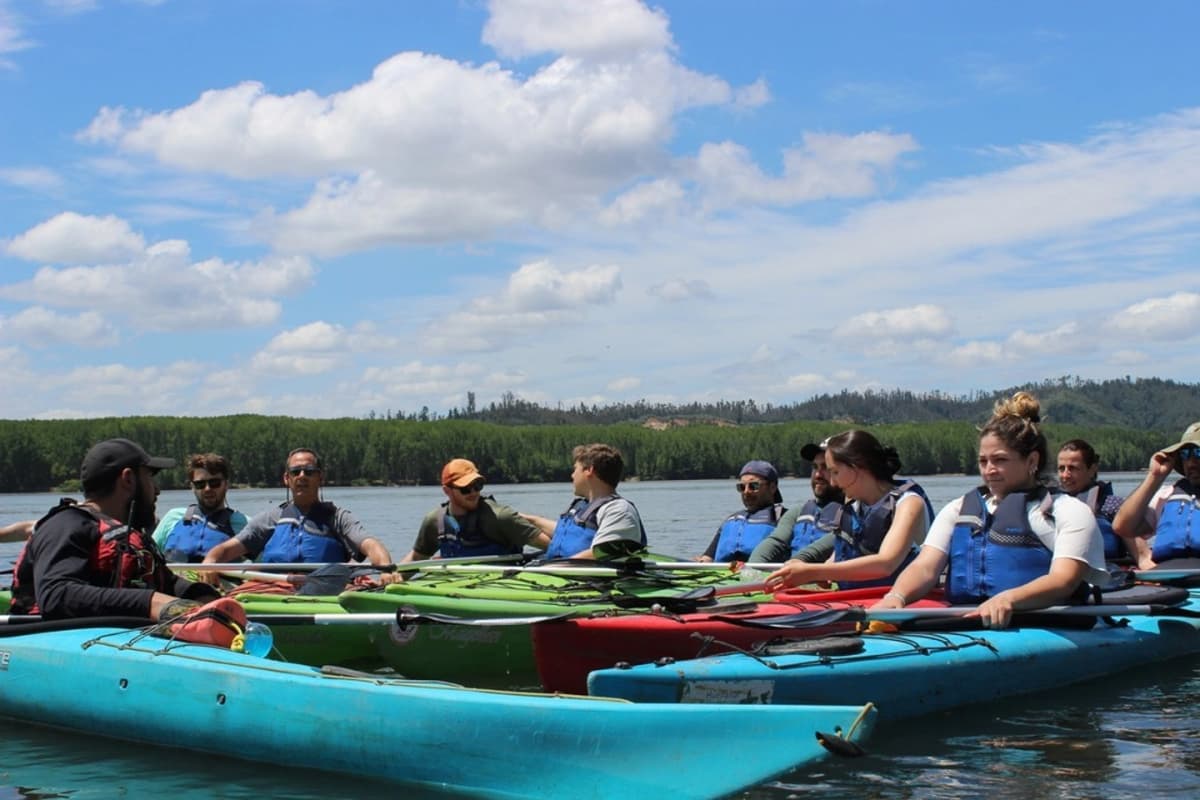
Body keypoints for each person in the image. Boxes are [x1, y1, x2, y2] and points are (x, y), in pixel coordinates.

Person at [872, 392, 1108, 628]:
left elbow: (1063, 580)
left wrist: (1008, 599)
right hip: (967, 622)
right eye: (983, 461)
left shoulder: (1067, 511)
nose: (989, 470)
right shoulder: (958, 509)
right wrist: (897, 596)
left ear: (1032, 461)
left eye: (1000, 460)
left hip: (1045, 623)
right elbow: (925, 567)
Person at [10, 438, 220, 618]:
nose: (156, 490)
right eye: (149, 478)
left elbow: (168, 582)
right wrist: (153, 603)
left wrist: (203, 596)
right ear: (128, 479)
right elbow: (56, 595)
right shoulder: (66, 525)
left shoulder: (132, 536)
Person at [765, 430, 933, 590]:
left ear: (858, 466)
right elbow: (838, 559)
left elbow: (886, 564)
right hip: (855, 600)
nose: (833, 483)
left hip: (899, 602)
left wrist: (813, 571)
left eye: (835, 472)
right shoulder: (852, 507)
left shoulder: (909, 503)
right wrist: (818, 571)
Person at [201, 448, 399, 583]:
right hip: (272, 591)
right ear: (287, 479)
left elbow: (371, 544)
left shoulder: (338, 518)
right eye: (296, 472)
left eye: (309, 471)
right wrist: (210, 562)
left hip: (324, 592)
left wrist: (385, 568)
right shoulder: (270, 519)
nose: (302, 476)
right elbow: (226, 550)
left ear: (320, 477)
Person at [401, 458, 550, 562]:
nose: (474, 492)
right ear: (447, 491)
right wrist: (393, 576)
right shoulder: (434, 521)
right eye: (465, 489)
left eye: (477, 485)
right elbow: (417, 558)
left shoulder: (501, 517)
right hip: (455, 590)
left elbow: (553, 547)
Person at [1112, 422, 1200, 568]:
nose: (1190, 463)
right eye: (1185, 455)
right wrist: (1155, 477)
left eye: (1198, 453)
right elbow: (1122, 527)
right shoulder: (1166, 496)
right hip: (1169, 582)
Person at [542, 443, 647, 560]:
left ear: (589, 470)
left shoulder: (619, 510)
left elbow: (603, 554)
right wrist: (527, 520)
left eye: (575, 469)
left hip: (583, 576)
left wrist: (551, 568)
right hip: (557, 571)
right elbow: (563, 533)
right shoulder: (582, 507)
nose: (572, 475)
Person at [750, 439, 845, 563]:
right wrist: (752, 569)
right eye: (815, 467)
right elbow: (776, 541)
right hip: (793, 574)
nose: (818, 475)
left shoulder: (855, 513)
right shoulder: (797, 512)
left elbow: (834, 540)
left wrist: (797, 563)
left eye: (825, 467)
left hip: (825, 576)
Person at [1056, 439, 1149, 566]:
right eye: (1061, 469)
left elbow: (1143, 556)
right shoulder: (1050, 506)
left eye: (1073, 468)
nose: (1065, 475)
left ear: (1092, 469)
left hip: (1110, 575)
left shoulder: (1115, 507)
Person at [152, 453, 249, 562]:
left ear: (226, 484)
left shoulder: (245, 524)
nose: (207, 489)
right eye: (200, 484)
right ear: (192, 487)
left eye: (214, 483)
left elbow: (265, 565)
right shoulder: (173, 517)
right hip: (174, 577)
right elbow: (149, 556)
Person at [698, 461, 786, 562]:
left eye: (754, 486)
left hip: (762, 573)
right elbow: (707, 558)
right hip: (723, 572)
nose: (746, 492)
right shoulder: (732, 520)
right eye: (742, 487)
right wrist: (702, 561)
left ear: (772, 487)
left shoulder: (785, 518)